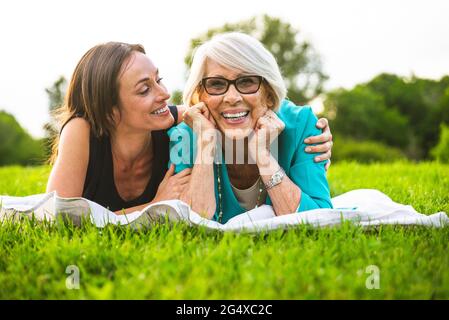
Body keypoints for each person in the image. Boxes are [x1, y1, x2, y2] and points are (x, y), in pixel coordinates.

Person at [46, 41, 333, 215]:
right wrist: (153, 207)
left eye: (159, 80)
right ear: (109, 110)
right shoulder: (83, 130)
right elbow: (55, 216)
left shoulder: (171, 118)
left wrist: (291, 142)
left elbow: (234, 106)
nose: (163, 94)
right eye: (144, 89)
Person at [169, 32, 333, 224]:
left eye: (247, 82)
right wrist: (206, 141)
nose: (232, 97)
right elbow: (192, 225)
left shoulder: (301, 125)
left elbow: (321, 219)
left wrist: (263, 156)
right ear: (200, 96)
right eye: (216, 84)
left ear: (269, 94)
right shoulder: (183, 137)